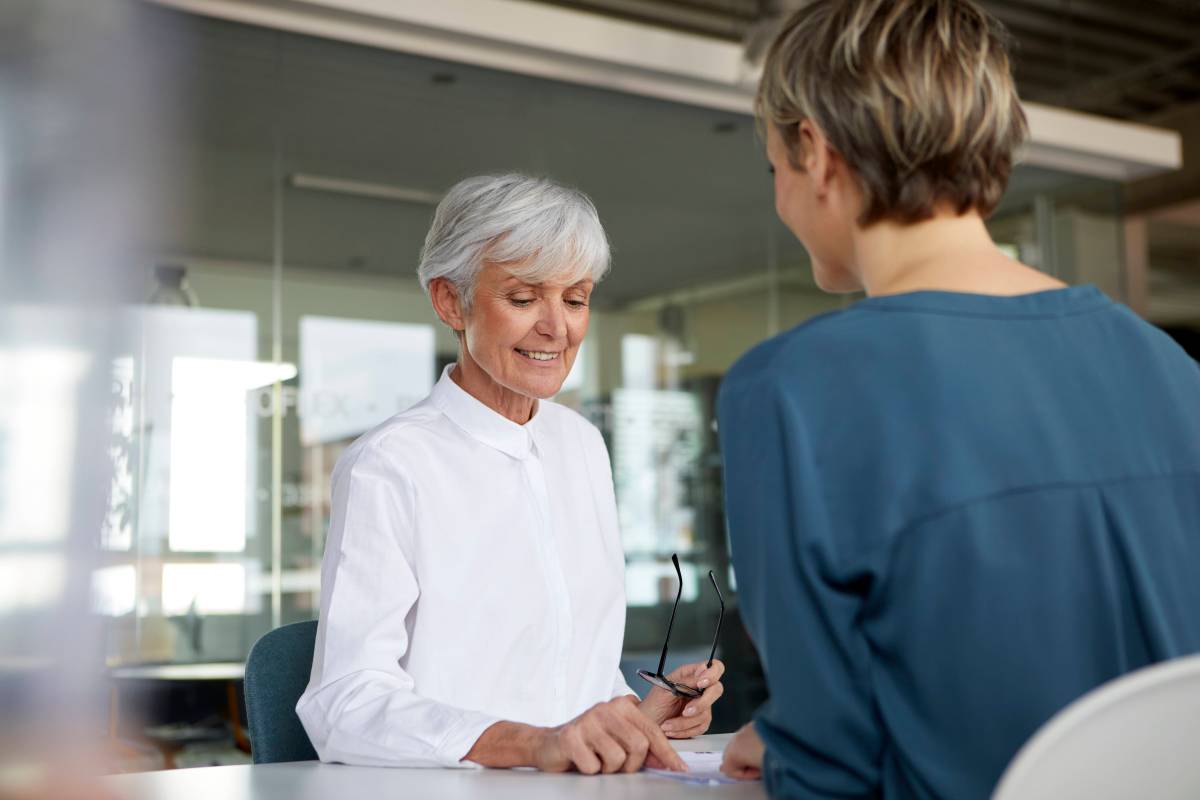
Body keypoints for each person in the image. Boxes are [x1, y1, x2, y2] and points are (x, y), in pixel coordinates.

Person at [717, 1, 1200, 797]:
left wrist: (791, 745)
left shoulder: (792, 390)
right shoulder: (1168, 366)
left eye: (776, 166)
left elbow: (831, 772)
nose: (782, 197)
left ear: (816, 149)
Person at [296, 173, 724, 774]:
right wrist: (532, 745)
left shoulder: (581, 446)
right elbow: (344, 702)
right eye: (523, 299)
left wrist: (642, 714)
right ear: (451, 301)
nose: (557, 327)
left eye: (575, 299)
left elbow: (572, 677)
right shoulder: (390, 465)